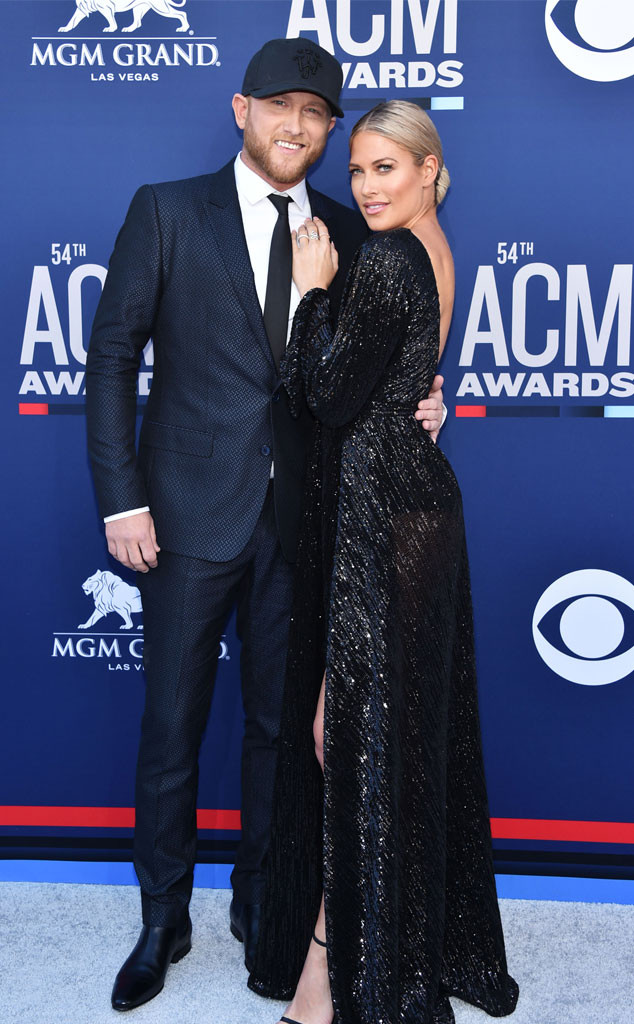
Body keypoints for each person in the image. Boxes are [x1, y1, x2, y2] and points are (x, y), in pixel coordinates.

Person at [85, 42, 445, 1012]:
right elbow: (113, 357)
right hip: (184, 517)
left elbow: (365, 367)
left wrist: (424, 399)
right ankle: (163, 918)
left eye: (315, 113)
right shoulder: (167, 210)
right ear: (241, 109)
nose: (297, 125)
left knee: (284, 734)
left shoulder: (348, 227)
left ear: (329, 131)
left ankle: (259, 899)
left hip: (307, 523)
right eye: (280, 105)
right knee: (172, 726)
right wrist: (122, 498)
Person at [248, 101, 519, 1024]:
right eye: (357, 170)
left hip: (381, 516)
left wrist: (311, 292)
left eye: (385, 168)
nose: (365, 187)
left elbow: (325, 395)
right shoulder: (439, 250)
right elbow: (398, 384)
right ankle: (402, 946)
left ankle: (332, 972)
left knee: (352, 738)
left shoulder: (390, 258)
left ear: (429, 167)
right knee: (387, 735)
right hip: (418, 505)